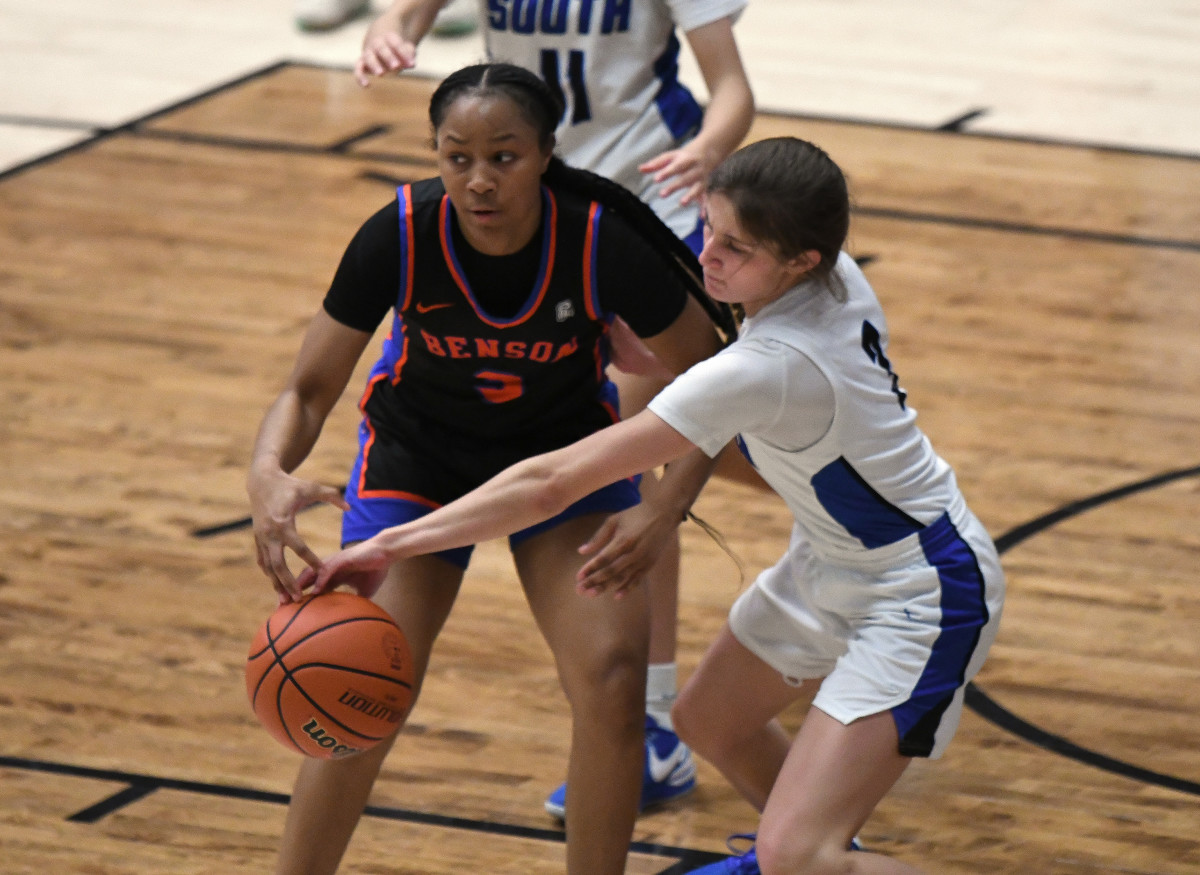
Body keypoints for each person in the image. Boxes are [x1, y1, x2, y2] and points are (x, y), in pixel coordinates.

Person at [299, 136, 1008, 874]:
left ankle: (807, 858)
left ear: (800, 261)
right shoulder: (834, 277)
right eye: (710, 227)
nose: (710, 257)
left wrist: (390, 543)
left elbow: (549, 483)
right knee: (709, 720)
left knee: (797, 850)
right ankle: (815, 858)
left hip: (922, 590)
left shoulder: (770, 366)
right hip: (832, 560)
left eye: (738, 248)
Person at [246, 62, 726, 875]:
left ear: (545, 153)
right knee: (359, 676)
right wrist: (266, 470)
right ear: (434, 157)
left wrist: (665, 505)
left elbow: (712, 376)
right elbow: (309, 385)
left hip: (564, 465)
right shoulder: (398, 233)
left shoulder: (600, 239)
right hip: (418, 462)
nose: (478, 180)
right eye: (455, 156)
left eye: (503, 157)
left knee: (612, 677)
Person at [354, 0, 757, 817]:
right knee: (672, 453)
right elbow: (411, 7)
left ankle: (650, 720)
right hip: (525, 194)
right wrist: (392, 29)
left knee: (650, 445)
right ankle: (860, 518)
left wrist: (708, 150)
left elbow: (731, 89)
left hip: (650, 201)